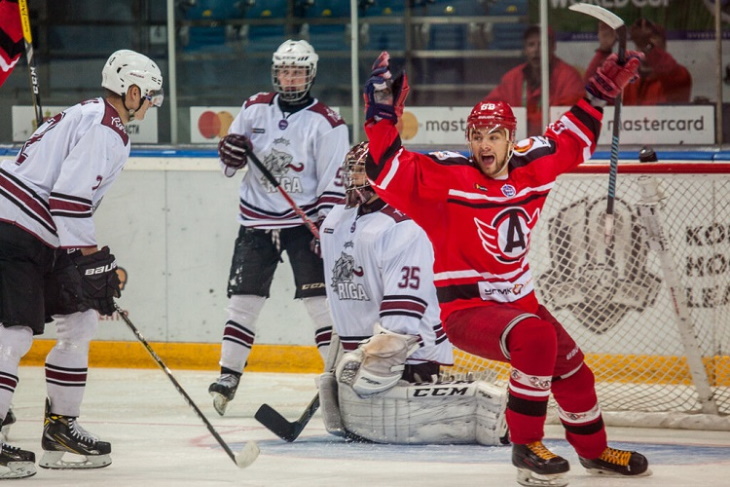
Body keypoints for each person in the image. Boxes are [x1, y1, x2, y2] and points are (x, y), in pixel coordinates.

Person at [361, 50, 651, 486]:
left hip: (521, 300)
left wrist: (598, 93)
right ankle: (527, 447)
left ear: (510, 139)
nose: (484, 145)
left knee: (572, 366)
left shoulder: (534, 164)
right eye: (477, 135)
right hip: (466, 309)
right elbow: (386, 169)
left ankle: (594, 452)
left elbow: (573, 139)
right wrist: (382, 115)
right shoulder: (448, 177)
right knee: (535, 338)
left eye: (494, 135)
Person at [0, 49, 163, 478]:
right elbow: (69, 200)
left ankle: (60, 428)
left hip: (41, 232)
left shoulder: (86, 114)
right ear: (131, 91)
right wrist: (95, 264)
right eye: (150, 96)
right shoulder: (105, 128)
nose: (151, 104)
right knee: (12, 334)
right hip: (16, 230)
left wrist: (89, 268)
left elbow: (62, 199)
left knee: (80, 319)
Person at [318, 142, 507, 445]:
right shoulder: (335, 221)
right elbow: (342, 295)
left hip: (406, 354)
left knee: (393, 432)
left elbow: (403, 309)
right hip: (361, 352)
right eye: (352, 169)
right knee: (361, 430)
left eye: (363, 169)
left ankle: (487, 408)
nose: (355, 176)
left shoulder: (406, 226)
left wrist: (382, 356)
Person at [208, 39, 350, 416]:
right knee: (243, 302)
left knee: (321, 307)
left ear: (311, 74)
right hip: (255, 221)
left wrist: (326, 229)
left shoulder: (328, 123)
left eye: (298, 71)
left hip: (303, 224)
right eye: (284, 71)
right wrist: (229, 153)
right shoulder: (254, 108)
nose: (290, 78)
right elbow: (229, 161)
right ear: (275, 72)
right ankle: (228, 375)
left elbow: (333, 186)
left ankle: (336, 378)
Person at [483, 25, 584, 137]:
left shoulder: (569, 76)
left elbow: (570, 116)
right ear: (525, 49)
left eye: (542, 44)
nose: (536, 50)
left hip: (555, 144)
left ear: (553, 47)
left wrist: (526, 122)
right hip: (518, 144)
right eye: (531, 45)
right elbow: (489, 109)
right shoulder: (512, 78)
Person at [584, 18, 692, 105]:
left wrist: (647, 46)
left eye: (652, 36)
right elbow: (589, 89)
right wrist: (604, 49)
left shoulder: (679, 75)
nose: (643, 41)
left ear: (664, 44)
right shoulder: (625, 79)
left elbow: (669, 69)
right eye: (639, 38)